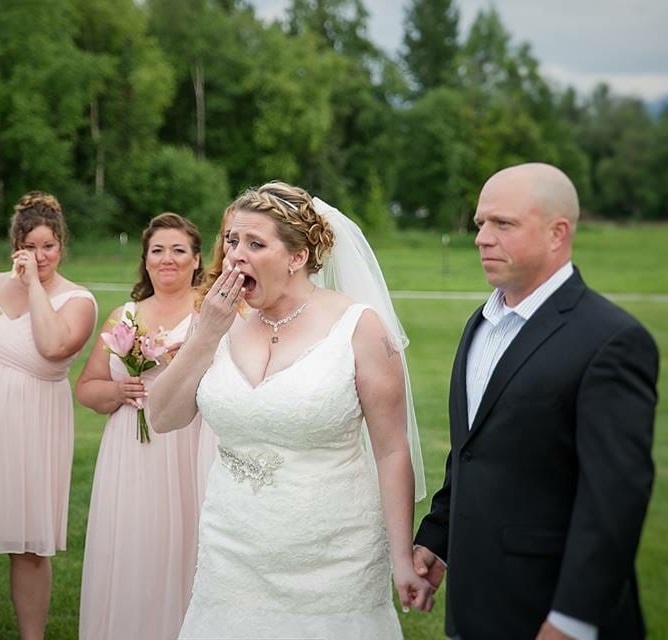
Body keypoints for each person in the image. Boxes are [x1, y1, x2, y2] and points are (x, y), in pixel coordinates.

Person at [149, 181, 430, 639]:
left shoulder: (359, 328)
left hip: (335, 553)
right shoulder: (219, 319)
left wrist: (401, 558)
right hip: (232, 548)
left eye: (255, 243)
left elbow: (392, 450)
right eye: (233, 240)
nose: (236, 255)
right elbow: (163, 418)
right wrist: (205, 335)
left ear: (297, 257)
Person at [412, 163, 659, 639]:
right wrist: (438, 539)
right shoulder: (480, 323)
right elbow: (473, 449)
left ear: (557, 233)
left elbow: (615, 498)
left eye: (503, 224)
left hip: (550, 611)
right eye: (481, 223)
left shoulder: (611, 340)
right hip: (476, 605)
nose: (482, 237)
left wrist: (571, 619)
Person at [76, 212, 217, 640]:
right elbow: (87, 388)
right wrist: (119, 393)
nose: (167, 259)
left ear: (196, 260)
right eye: (158, 250)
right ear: (146, 260)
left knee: (184, 546)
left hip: (188, 442)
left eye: (178, 250)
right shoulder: (126, 315)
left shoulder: (210, 312)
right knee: (134, 545)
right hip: (131, 448)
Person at [0, 191, 97, 639]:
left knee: (28, 551)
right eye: (30, 246)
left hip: (33, 429)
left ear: (62, 245)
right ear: (14, 243)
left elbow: (53, 346)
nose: (39, 256)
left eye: (49, 246)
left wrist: (35, 286)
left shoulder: (78, 300)